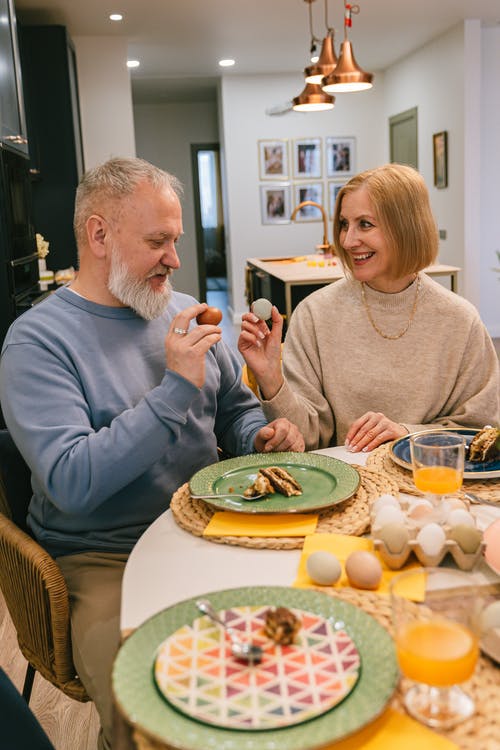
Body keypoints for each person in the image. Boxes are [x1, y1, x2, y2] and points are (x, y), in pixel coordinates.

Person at [0, 157, 304, 749]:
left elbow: (234, 411)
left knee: (288, 653)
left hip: (211, 525)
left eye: (176, 240)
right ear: (98, 235)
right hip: (103, 554)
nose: (174, 258)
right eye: (158, 241)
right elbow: (71, 481)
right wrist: (174, 390)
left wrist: (257, 435)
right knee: (148, 709)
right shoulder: (36, 342)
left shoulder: (179, 308)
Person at [239, 163, 500, 452]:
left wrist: (405, 434)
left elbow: (482, 432)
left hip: (433, 486)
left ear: (407, 228)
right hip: (344, 486)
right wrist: (271, 380)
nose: (348, 241)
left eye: (365, 224)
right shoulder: (314, 314)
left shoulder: (460, 321)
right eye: (344, 224)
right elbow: (307, 439)